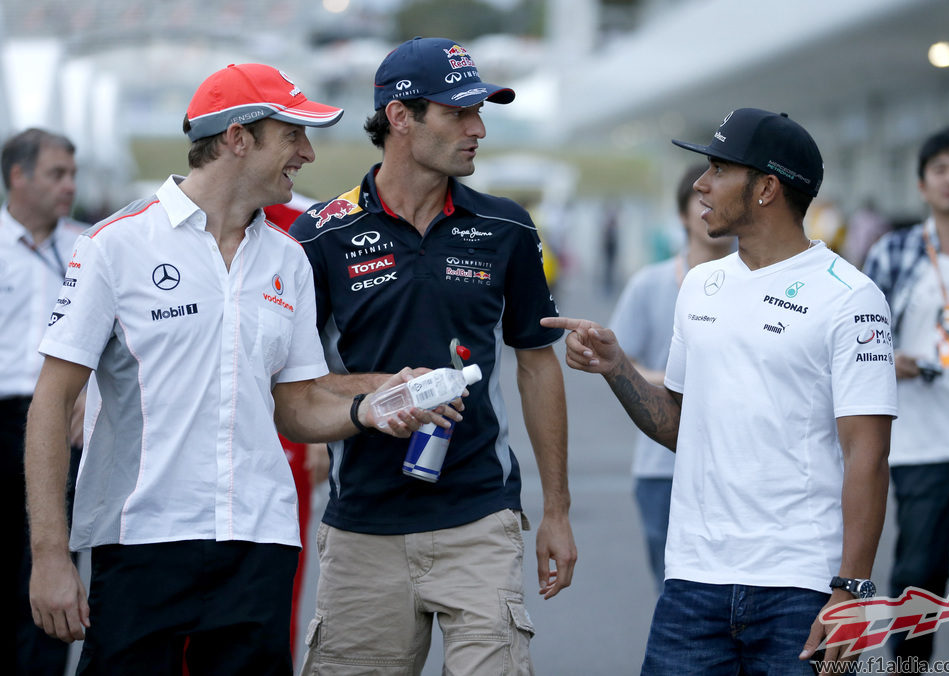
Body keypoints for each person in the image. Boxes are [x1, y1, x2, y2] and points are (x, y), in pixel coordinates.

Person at [24, 63, 453, 675]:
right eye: (293, 135)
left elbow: (298, 404)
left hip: (261, 542)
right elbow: (50, 401)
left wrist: (371, 410)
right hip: (142, 540)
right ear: (238, 138)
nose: (306, 153)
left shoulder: (289, 259)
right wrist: (49, 553)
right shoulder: (113, 246)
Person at [542, 108, 897, 675]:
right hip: (692, 583)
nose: (700, 185)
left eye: (717, 169)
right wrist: (618, 369)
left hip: (801, 586)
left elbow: (868, 456)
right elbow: (680, 426)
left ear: (767, 188)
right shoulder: (702, 286)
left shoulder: (850, 297)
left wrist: (850, 591)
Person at [289, 37, 577, 675]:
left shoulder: (508, 227)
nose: (478, 130)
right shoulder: (321, 233)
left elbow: (536, 363)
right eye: (458, 113)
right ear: (400, 117)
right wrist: (381, 395)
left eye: (482, 113)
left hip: (480, 519)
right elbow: (293, 384)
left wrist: (555, 509)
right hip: (363, 524)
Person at [862, 127, 949, 667]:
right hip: (922, 440)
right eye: (941, 169)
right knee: (918, 576)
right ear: (922, 185)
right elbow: (858, 334)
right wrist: (889, 361)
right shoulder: (896, 250)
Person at [607, 162, 734, 595]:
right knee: (674, 591)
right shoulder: (650, 283)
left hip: (737, 465)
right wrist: (670, 378)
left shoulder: (758, 283)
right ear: (681, 215)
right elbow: (617, 359)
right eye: (697, 202)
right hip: (662, 466)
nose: (707, 209)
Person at [2, 127, 87, 675]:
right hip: (3, 415)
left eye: (73, 174)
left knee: (52, 567)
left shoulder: (90, 247)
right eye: (57, 174)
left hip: (61, 422)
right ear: (18, 177)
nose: (70, 186)